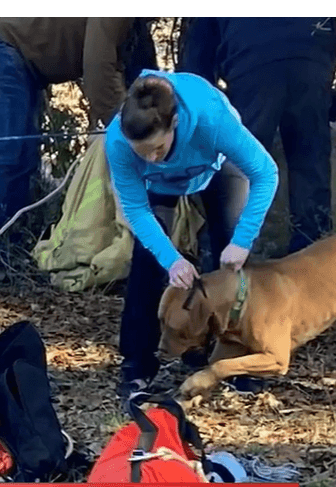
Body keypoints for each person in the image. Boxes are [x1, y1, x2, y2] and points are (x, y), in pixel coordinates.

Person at [106, 70, 279, 399]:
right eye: (140, 152)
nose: (150, 158)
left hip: (215, 167)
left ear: (174, 123)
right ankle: (137, 365)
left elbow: (266, 173)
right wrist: (171, 260)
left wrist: (242, 241)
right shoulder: (118, 140)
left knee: (232, 264)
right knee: (147, 260)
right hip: (158, 187)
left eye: (156, 149)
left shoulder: (210, 118)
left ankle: (242, 360)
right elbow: (135, 209)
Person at [0, 18, 158, 282]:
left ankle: (7, 251)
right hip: (5, 53)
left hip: (23, 65)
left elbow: (128, 75)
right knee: (6, 155)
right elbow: (98, 69)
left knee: (24, 161)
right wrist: (127, 131)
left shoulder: (132, 25)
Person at [178, 17, 336, 258]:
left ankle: (224, 255)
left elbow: (199, 55)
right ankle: (312, 253)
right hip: (311, 52)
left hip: (253, 61)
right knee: (310, 159)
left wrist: (198, 107)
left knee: (241, 163)